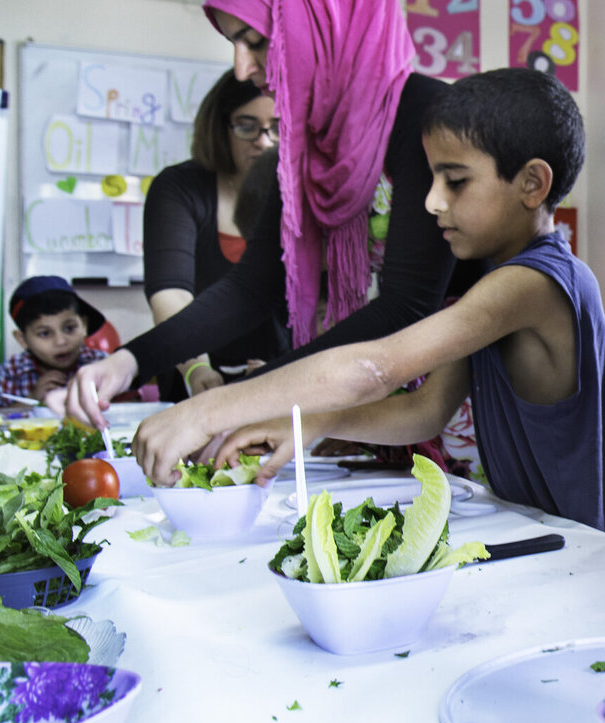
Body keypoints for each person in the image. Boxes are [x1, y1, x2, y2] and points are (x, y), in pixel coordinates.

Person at [131, 68, 605, 553]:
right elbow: (425, 410)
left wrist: (205, 410)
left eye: (454, 181)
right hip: (547, 538)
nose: (431, 202)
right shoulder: (491, 282)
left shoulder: (532, 284)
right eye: (430, 180)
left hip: (597, 553)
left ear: (532, 184)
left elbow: (377, 367)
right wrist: (314, 423)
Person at [58, 0, 484, 429]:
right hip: (366, 410)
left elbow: (405, 309)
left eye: (256, 42)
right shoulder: (310, 142)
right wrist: (128, 361)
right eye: (234, 45)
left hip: (447, 416)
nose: (242, 68)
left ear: (325, 29)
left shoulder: (426, 117)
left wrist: (236, 402)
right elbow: (251, 288)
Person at [142, 68, 288, 402]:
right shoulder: (180, 187)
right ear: (219, 128)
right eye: (246, 126)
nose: (264, 141)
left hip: (284, 379)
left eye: (278, 128)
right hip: (197, 376)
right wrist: (196, 368)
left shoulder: (303, 191)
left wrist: (291, 368)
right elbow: (170, 293)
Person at [0, 277, 108, 410]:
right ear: (22, 339)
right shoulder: (11, 371)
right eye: (44, 333)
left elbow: (129, 406)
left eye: (69, 328)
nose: (61, 341)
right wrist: (33, 398)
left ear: (84, 325)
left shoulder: (101, 363)